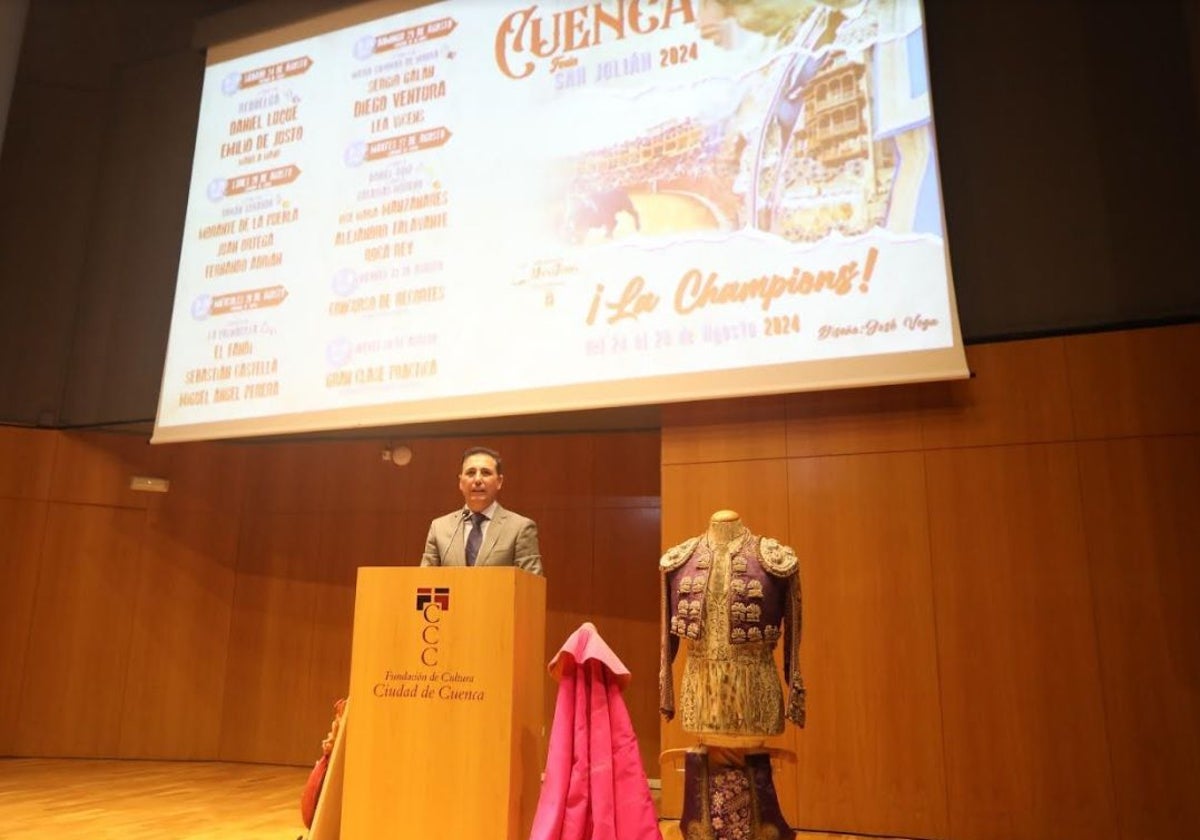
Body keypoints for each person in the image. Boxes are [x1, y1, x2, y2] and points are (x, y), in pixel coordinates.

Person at [421, 446, 543, 576]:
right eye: (471, 473)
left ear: (499, 481)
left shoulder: (519, 528)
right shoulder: (439, 527)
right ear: (461, 482)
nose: (478, 480)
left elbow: (531, 585)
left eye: (486, 473)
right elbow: (424, 580)